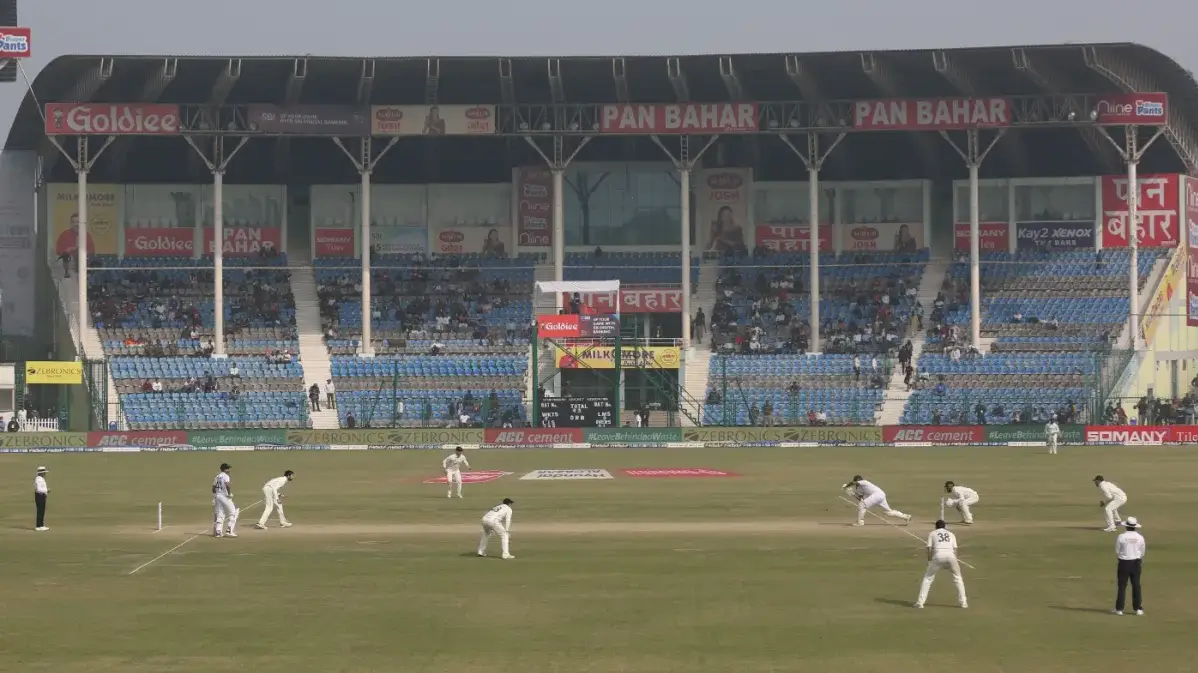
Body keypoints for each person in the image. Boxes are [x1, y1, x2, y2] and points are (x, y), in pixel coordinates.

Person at [914, 520, 968, 609]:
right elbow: (955, 549)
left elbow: (929, 548)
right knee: (958, 578)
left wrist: (929, 560)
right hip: (951, 557)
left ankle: (920, 602)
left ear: (936, 526)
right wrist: (955, 561)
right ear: (945, 526)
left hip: (938, 557)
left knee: (928, 578)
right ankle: (964, 603)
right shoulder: (951, 534)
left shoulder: (932, 533)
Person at [843, 475, 912, 527]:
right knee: (888, 512)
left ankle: (860, 522)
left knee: (862, 505)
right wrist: (851, 493)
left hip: (877, 495)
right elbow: (860, 499)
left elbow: (853, 483)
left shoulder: (864, 482)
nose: (856, 484)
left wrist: (846, 486)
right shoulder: (859, 489)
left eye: (856, 482)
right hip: (881, 495)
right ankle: (906, 517)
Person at [1113, 517, 1146, 615]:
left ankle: (1119, 609)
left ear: (1126, 526)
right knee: (1136, 585)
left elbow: (1117, 550)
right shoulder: (1140, 537)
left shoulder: (1121, 537)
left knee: (1122, 586)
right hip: (1136, 562)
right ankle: (1138, 609)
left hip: (1124, 562)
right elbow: (1142, 551)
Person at [212, 463, 240, 538]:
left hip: (218, 497)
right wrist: (229, 493)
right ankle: (229, 530)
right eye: (228, 468)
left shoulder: (217, 477)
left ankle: (218, 532)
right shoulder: (225, 476)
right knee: (234, 512)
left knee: (220, 513)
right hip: (224, 496)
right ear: (224, 469)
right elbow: (227, 485)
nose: (229, 470)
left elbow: (213, 488)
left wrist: (216, 494)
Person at [34, 466, 49, 531]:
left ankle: (41, 525)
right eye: (43, 472)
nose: (45, 474)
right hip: (40, 495)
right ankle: (39, 526)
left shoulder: (41, 479)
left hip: (42, 495)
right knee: (40, 510)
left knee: (42, 510)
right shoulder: (38, 479)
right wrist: (46, 491)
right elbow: (39, 489)